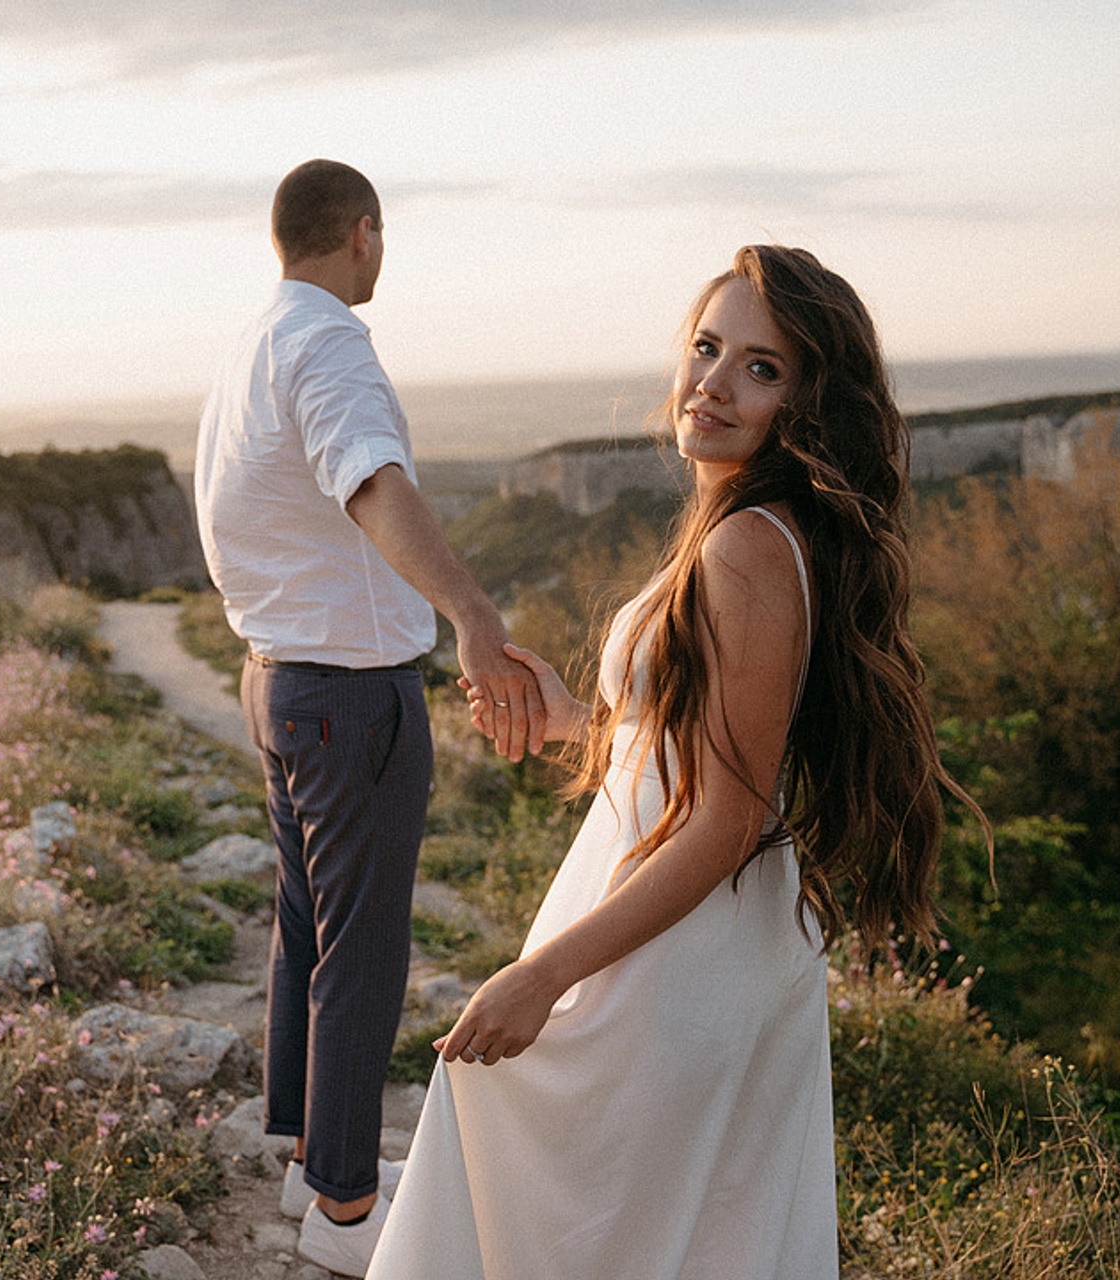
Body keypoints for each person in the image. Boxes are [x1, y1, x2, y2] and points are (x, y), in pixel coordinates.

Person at [368, 245, 985, 1279]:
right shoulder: (738, 529)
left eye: (761, 367)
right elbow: (694, 753)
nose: (713, 382)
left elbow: (727, 818)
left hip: (685, 954)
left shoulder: (748, 547)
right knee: (664, 1232)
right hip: (684, 934)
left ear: (805, 401)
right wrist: (578, 722)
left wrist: (540, 975)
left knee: (576, 1200)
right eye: (707, 348)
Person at [193, 159, 544, 1278]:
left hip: (279, 677)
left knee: (309, 924)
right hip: (347, 691)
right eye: (379, 238)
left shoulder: (254, 341)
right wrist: (473, 617)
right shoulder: (330, 340)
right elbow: (373, 483)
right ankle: (345, 1211)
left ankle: (314, 1157)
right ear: (361, 231)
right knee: (362, 945)